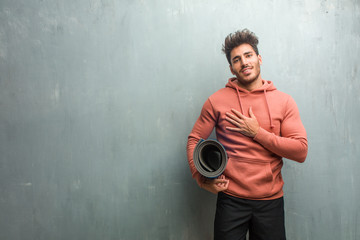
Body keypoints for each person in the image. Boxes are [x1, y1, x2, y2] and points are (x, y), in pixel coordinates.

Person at [186, 29, 308, 240]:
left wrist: (257, 133)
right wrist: (201, 179)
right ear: (232, 68)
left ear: (259, 58)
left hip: (270, 201)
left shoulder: (284, 101)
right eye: (237, 59)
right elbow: (194, 139)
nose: (244, 62)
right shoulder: (216, 101)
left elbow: (300, 151)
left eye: (248, 55)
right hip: (231, 200)